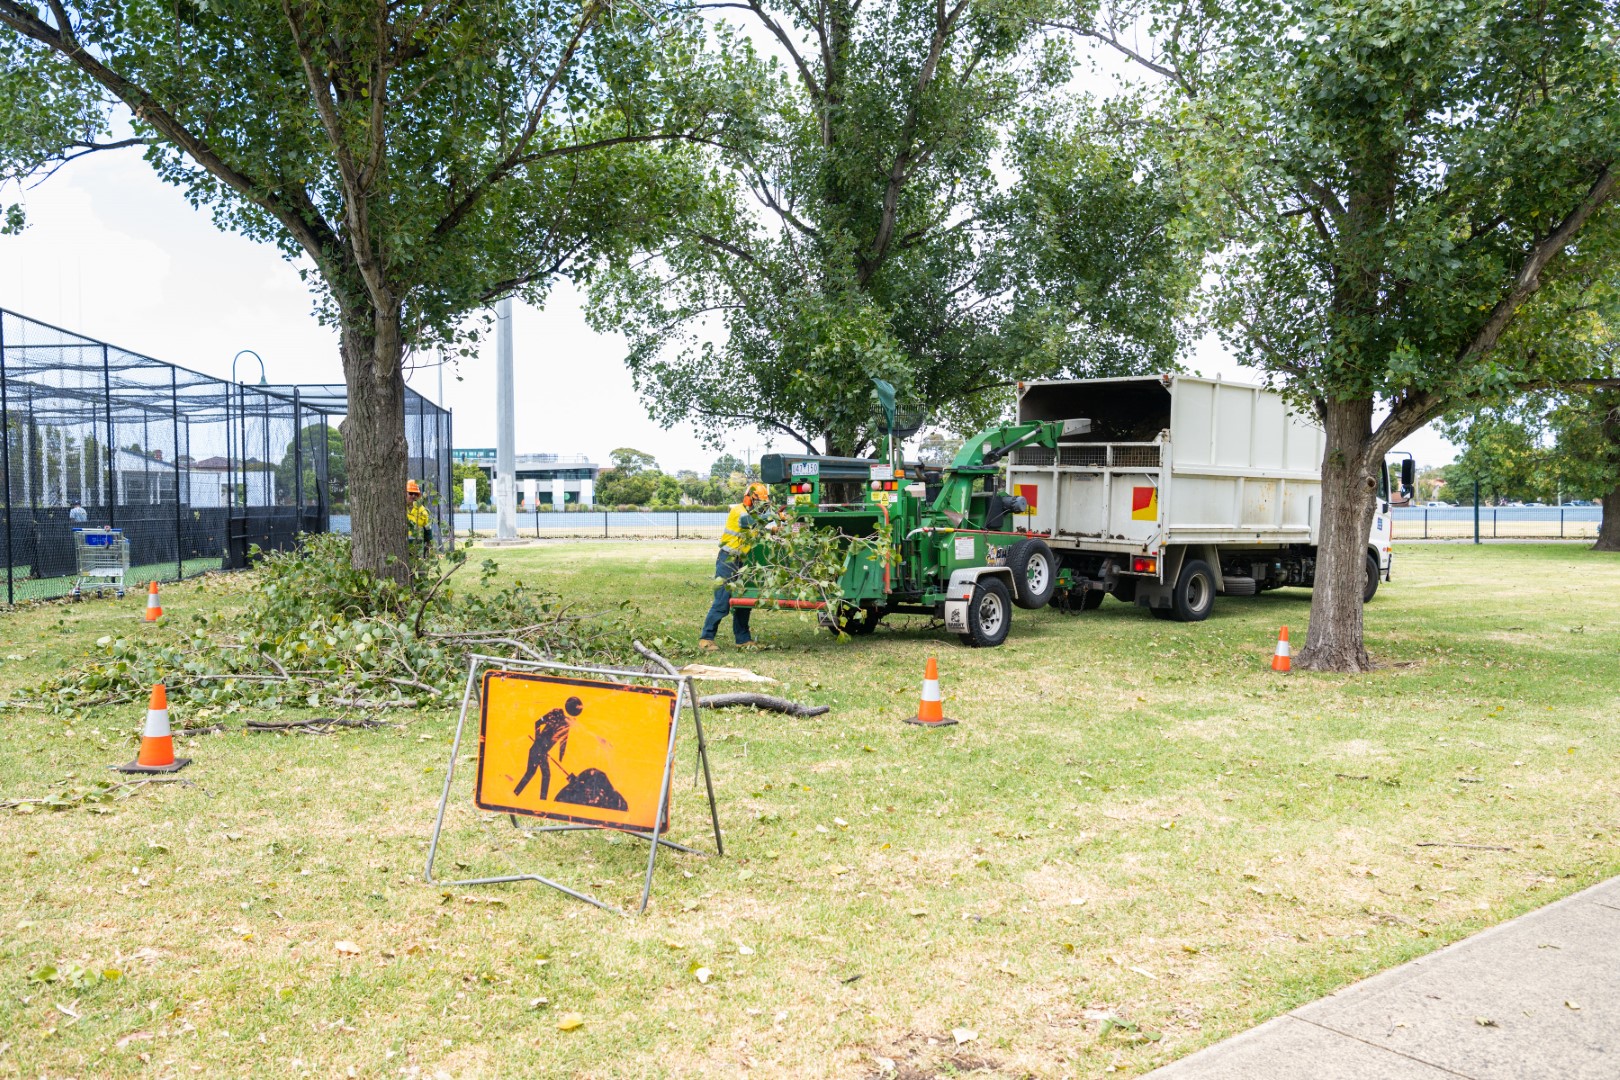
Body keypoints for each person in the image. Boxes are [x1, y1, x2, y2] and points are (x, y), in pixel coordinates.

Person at [700, 481, 774, 651]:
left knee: (743, 602)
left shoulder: (753, 516)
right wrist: (774, 516)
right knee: (722, 601)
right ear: (748, 499)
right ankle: (706, 638)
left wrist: (773, 530)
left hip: (744, 563)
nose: (761, 507)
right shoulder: (738, 511)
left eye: (763, 504)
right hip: (728, 561)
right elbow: (746, 522)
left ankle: (743, 639)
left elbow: (756, 528)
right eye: (758, 502)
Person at [513, 696, 582, 800]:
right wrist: (538, 741)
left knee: (540, 775)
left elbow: (563, 744)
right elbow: (537, 722)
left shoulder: (567, 725)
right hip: (537, 750)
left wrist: (561, 758)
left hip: (542, 752)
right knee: (535, 774)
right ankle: (521, 795)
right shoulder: (555, 713)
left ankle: (525, 796)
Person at [405, 480, 433, 553]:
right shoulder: (398, 510)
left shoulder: (422, 510)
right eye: (411, 493)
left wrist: (428, 550)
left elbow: (428, 530)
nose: (413, 496)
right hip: (401, 548)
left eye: (416, 494)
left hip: (417, 549)